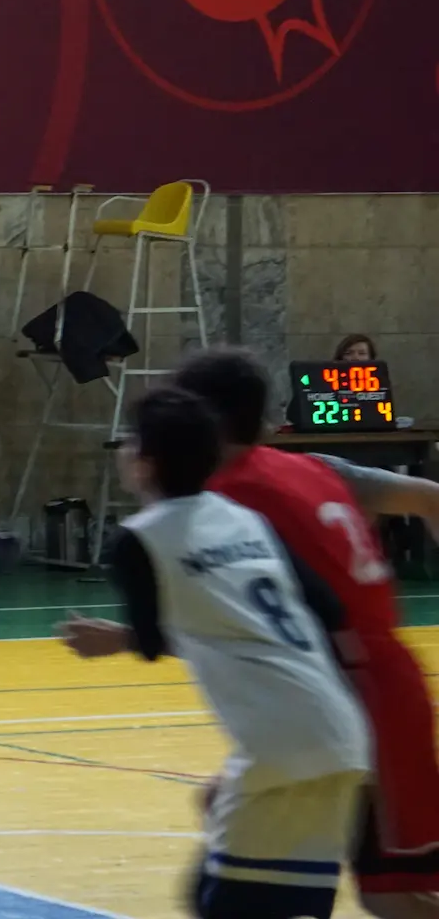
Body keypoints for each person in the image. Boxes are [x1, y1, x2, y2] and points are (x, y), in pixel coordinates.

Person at [60, 387, 370, 919]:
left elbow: (151, 642)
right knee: (286, 899)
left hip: (279, 743)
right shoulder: (247, 519)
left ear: (145, 462)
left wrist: (118, 639)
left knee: (221, 902)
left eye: (131, 440)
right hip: (341, 732)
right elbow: (327, 608)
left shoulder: (138, 540)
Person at [172, 350, 439, 916]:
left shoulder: (226, 500)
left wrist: (130, 636)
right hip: (366, 687)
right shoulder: (315, 466)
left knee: (392, 897)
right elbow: (429, 497)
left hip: (359, 693)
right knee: (228, 807)